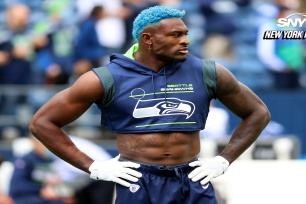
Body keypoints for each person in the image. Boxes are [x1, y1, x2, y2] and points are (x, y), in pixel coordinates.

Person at [29, 6, 271, 204]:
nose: (186, 41)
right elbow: (41, 123)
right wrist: (93, 167)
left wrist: (224, 159)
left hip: (193, 178)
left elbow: (258, 112)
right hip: (138, 182)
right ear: (148, 39)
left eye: (185, 33)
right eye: (176, 35)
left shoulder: (208, 72)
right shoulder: (106, 78)